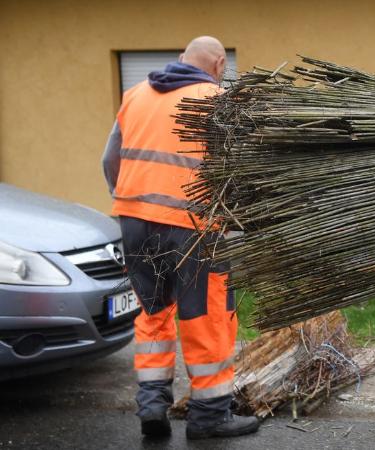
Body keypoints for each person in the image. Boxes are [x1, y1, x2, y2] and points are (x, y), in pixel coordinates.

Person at [102, 36, 260, 440]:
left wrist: (131, 203)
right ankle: (209, 416)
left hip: (134, 221)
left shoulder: (135, 94)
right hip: (191, 227)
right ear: (220, 63)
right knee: (204, 317)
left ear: (180, 60)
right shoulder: (216, 99)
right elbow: (239, 171)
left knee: (153, 313)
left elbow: (110, 161)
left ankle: (152, 406)